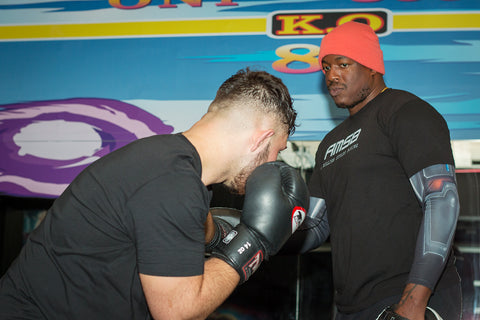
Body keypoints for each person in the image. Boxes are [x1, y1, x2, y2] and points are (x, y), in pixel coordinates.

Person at [0, 68, 310, 319]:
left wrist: (219, 236)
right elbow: (178, 313)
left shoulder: (165, 161)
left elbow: (186, 222)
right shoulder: (173, 184)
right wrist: (252, 244)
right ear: (260, 139)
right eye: (276, 151)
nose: (272, 164)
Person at [284, 21, 462, 319]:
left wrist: (415, 299)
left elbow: (442, 198)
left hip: (412, 298)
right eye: (326, 67)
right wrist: (261, 233)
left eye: (343, 63)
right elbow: (313, 228)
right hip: (353, 307)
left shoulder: (405, 111)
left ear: (371, 66)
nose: (332, 76)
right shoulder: (330, 143)